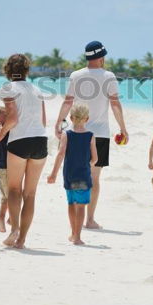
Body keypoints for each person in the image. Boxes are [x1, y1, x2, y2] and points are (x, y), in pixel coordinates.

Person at [54, 41, 128, 230]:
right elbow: (115, 104)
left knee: (76, 174)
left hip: (76, 133)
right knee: (94, 178)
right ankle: (89, 219)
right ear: (101, 57)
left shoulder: (76, 75)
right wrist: (123, 128)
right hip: (100, 134)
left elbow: (68, 101)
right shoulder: (109, 76)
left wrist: (59, 121)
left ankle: (75, 216)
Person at [0, 54, 48, 249]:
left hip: (20, 141)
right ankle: (22, 240)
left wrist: (1, 133)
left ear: (7, 69)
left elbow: (13, 118)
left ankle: (14, 229)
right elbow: (43, 121)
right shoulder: (37, 89)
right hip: (40, 140)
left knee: (15, 189)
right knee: (30, 194)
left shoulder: (8, 88)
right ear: (26, 70)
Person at [47, 104, 97, 245]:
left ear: (71, 117)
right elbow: (95, 159)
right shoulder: (90, 136)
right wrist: (88, 164)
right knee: (81, 206)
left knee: (71, 203)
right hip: (84, 176)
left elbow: (61, 154)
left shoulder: (66, 134)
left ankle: (73, 233)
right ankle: (78, 236)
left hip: (69, 175)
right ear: (87, 118)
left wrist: (53, 174)